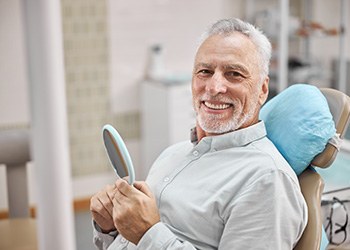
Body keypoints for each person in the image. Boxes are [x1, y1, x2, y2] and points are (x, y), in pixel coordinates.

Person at [90, 18, 308, 250]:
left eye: (234, 74)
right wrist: (110, 229)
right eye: (205, 71)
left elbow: (146, 236)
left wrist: (148, 234)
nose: (214, 87)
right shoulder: (172, 154)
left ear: (263, 89)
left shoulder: (267, 180)